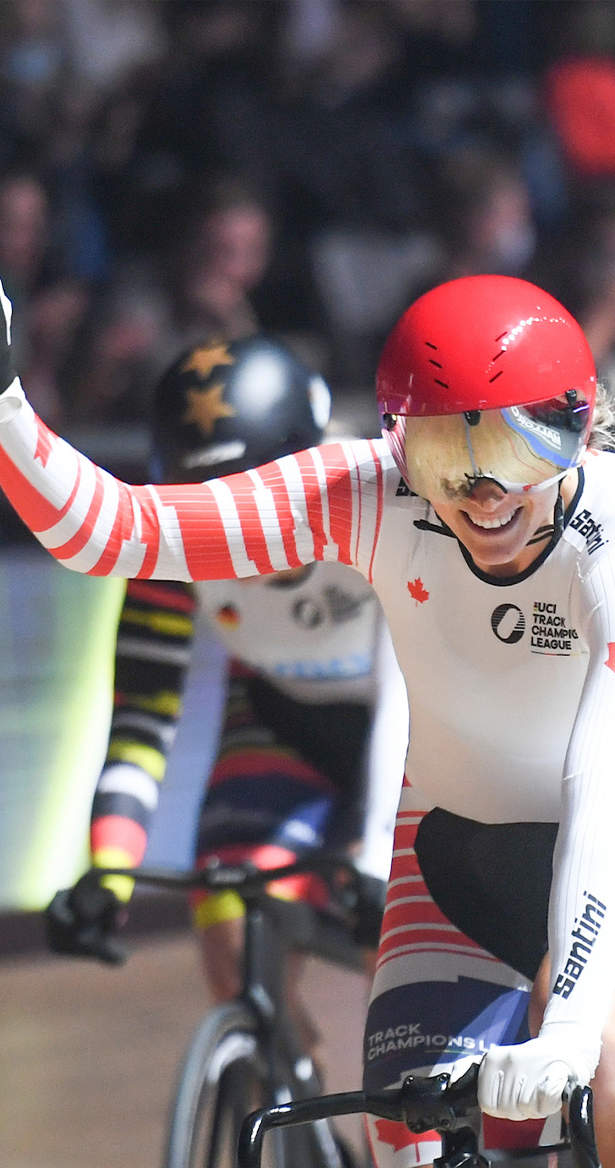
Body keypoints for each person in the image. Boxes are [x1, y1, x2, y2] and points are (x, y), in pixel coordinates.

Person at [0, 234, 615, 1168]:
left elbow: (602, 785)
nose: (484, 495)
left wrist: (569, 1022)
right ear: (396, 449)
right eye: (447, 461)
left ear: (581, 427)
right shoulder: (364, 491)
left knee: (611, 1064)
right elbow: (108, 530)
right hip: (453, 855)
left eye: (519, 452)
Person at [43, 333, 410, 1026]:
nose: (229, 535)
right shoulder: (169, 551)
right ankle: (273, 1063)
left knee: (396, 968)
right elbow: (142, 720)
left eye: (252, 504)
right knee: (230, 933)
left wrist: (377, 852)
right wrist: (109, 870)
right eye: (202, 508)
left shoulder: (381, 504)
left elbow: (408, 698)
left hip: (410, 723)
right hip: (279, 716)